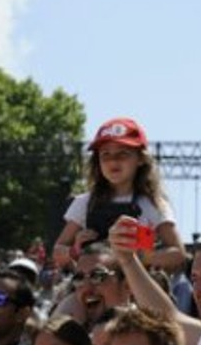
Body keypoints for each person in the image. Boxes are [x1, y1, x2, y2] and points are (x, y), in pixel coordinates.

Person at [53, 117, 185, 274]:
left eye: (122, 154)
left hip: (137, 291)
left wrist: (135, 255)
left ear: (141, 159)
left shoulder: (153, 204)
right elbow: (57, 252)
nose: (113, 161)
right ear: (97, 162)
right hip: (92, 290)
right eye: (105, 155)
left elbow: (179, 255)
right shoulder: (84, 202)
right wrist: (75, 251)